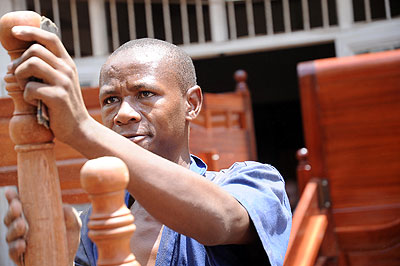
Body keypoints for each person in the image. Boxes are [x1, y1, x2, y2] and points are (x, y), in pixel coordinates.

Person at [3, 25, 292, 266]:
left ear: (191, 104)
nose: (122, 113)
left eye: (144, 93)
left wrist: (81, 128)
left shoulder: (254, 183)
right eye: (110, 100)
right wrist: (58, 258)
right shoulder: (95, 224)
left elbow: (221, 220)